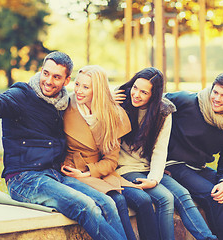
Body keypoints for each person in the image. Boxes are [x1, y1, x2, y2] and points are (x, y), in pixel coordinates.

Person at [0, 51, 128, 240]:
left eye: (56, 77)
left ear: (66, 80)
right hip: (24, 178)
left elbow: (89, 95)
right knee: (85, 205)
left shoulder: (62, 102)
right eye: (46, 73)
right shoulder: (21, 96)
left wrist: (107, 95)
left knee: (107, 203)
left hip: (54, 175)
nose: (49, 81)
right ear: (41, 70)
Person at [114, 67, 217, 240]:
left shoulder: (162, 112)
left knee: (182, 194)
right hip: (124, 168)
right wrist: (108, 99)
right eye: (135, 87)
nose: (136, 94)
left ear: (153, 96)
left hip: (149, 168)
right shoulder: (120, 101)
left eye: (144, 92)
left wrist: (154, 179)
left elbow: (160, 150)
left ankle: (208, 238)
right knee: (165, 198)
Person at [60, 65, 156, 240]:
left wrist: (89, 172)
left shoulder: (111, 114)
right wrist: (80, 174)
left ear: (98, 90)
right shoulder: (65, 107)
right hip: (73, 171)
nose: (79, 91)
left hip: (100, 171)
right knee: (117, 201)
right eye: (77, 84)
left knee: (143, 200)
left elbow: (111, 161)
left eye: (86, 87)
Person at [164, 72, 223, 240]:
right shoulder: (187, 101)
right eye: (215, 92)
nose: (216, 98)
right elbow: (153, 98)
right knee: (212, 195)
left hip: (198, 167)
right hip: (173, 164)